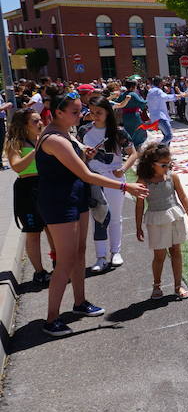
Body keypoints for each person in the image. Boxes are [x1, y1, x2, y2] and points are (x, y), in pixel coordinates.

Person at [36, 93, 148, 336]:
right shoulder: (55, 138)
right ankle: (51, 319)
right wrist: (126, 186)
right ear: (58, 113)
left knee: (78, 254)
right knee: (65, 261)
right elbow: (85, 175)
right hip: (59, 202)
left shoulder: (68, 134)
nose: (82, 115)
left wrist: (83, 153)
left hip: (76, 198)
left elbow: (78, 166)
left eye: (80, 111)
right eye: (75, 112)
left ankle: (80, 303)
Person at [79, 96, 139, 272]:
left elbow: (133, 153)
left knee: (114, 217)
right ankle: (100, 257)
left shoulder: (118, 132)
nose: (95, 115)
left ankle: (115, 252)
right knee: (98, 217)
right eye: (92, 112)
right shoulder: (84, 130)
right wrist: (86, 157)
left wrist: (123, 168)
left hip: (114, 178)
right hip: (93, 178)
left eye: (99, 112)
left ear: (108, 112)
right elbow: (79, 156)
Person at [134, 143, 188, 300]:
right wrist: (138, 226)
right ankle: (157, 286)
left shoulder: (172, 177)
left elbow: (182, 197)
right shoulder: (144, 180)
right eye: (164, 165)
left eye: (170, 163)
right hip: (156, 220)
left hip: (175, 217)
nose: (168, 167)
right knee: (159, 255)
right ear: (152, 164)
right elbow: (140, 204)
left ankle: (178, 286)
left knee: (176, 251)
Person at [6, 109, 54, 284]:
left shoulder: (46, 140)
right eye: (35, 121)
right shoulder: (16, 143)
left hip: (47, 186)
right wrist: (36, 150)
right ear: (24, 125)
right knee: (33, 233)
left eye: (40, 119)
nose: (40, 123)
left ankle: (58, 264)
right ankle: (39, 272)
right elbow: (17, 167)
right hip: (27, 189)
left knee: (53, 228)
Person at [113, 79, 148, 150]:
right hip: (134, 116)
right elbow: (142, 103)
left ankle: (128, 147)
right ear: (133, 87)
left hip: (125, 116)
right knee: (138, 131)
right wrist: (146, 99)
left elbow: (116, 102)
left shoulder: (123, 94)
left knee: (128, 131)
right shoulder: (133, 94)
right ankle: (136, 147)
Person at [146, 77, 180, 147]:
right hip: (160, 116)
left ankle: (165, 154)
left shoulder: (150, 91)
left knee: (166, 135)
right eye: (162, 83)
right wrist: (177, 96)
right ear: (160, 83)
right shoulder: (157, 91)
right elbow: (166, 97)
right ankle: (157, 148)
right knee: (169, 136)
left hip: (155, 117)